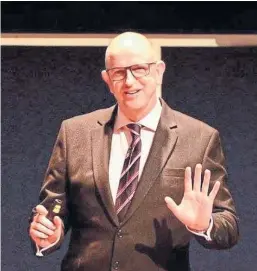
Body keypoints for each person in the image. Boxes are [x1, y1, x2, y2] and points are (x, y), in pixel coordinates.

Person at [29, 32, 239, 271]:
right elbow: (52, 207)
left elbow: (229, 226)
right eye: (118, 72)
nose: (129, 81)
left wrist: (205, 225)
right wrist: (47, 234)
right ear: (107, 79)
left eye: (139, 69)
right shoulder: (74, 132)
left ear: (159, 71)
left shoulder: (199, 138)